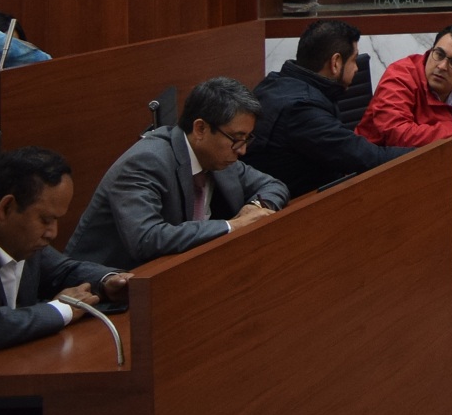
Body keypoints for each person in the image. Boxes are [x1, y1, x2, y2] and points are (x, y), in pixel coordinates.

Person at [66, 77, 289, 271]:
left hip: (177, 271)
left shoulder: (220, 157)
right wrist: (233, 226)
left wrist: (255, 208)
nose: (242, 150)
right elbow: (146, 238)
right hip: (103, 286)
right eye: (237, 138)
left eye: (247, 139)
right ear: (200, 129)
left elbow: (274, 186)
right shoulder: (146, 162)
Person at [0, 147, 127, 358]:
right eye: (45, 220)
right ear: (6, 207)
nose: (53, 233)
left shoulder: (16, 235)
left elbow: (62, 271)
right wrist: (62, 309)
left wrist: (108, 281)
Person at [249, 20, 410, 196]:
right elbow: (367, 158)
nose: (357, 68)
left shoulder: (274, 82)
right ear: (335, 63)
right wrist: (428, 153)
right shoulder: (302, 110)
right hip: (296, 206)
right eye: (354, 60)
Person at [358, 24, 452, 146]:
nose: (442, 66)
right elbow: (399, 136)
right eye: (439, 54)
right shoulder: (400, 76)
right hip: (381, 164)